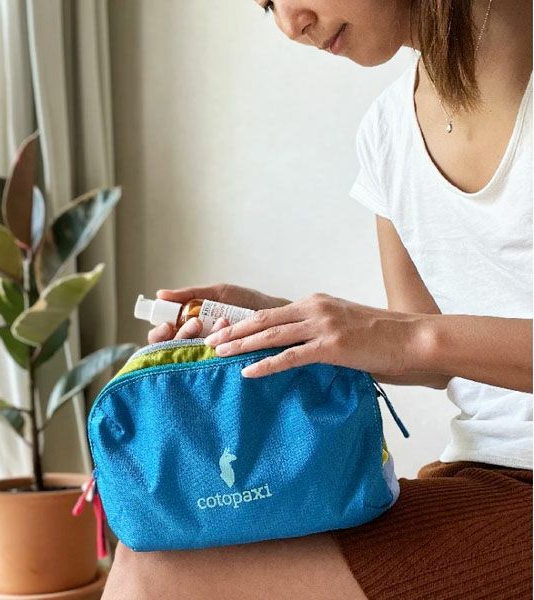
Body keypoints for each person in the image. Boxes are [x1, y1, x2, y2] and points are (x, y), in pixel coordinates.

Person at [101, 1, 532, 598]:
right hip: (486, 476)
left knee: (159, 577)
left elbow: (417, 338)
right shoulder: (387, 133)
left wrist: (397, 334)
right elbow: (433, 357)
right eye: (267, 5)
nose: (290, 23)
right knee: (151, 556)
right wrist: (285, 323)